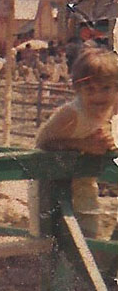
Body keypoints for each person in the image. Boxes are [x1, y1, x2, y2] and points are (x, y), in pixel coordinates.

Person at [35, 46, 118, 239]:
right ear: (78, 90)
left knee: (89, 239)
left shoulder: (112, 109)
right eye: (90, 89)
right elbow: (42, 144)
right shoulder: (71, 114)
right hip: (53, 188)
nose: (98, 96)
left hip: (84, 186)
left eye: (105, 88)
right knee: (60, 244)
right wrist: (82, 145)